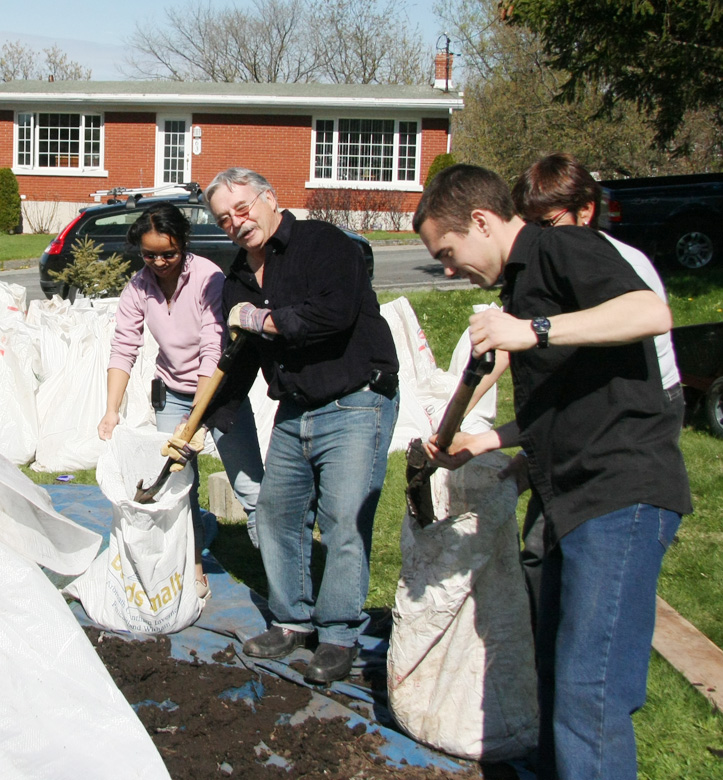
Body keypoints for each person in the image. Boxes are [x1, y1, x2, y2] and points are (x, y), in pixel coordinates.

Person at [413, 164, 691, 780]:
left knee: (590, 693)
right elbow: (563, 399)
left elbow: (649, 311)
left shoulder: (563, 245)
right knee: (560, 676)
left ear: (481, 221)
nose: (450, 269)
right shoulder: (524, 283)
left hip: (620, 492)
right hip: (569, 496)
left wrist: (532, 330)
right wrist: (484, 441)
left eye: (449, 253)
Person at [205, 167, 399, 684]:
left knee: (343, 520)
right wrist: (202, 422)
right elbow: (239, 359)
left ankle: (338, 635)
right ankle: (293, 621)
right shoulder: (238, 280)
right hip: (295, 407)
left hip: (356, 398)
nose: (236, 223)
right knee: (276, 515)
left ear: (270, 198)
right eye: (224, 219)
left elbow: (330, 315)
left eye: (243, 209)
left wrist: (259, 320)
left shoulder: (324, 243)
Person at [509, 152, 685, 632]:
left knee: (582, 558)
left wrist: (537, 330)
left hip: (631, 418)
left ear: (586, 210)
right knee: (540, 552)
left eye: (546, 222)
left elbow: (641, 322)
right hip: (573, 412)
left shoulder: (621, 263)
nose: (537, 236)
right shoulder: (546, 262)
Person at [98, 202, 225, 600]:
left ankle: (283, 583)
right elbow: (123, 347)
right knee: (179, 485)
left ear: (184, 244)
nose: (158, 262)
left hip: (218, 394)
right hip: (170, 393)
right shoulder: (139, 286)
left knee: (249, 483)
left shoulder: (209, 278)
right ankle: (194, 567)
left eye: (167, 253)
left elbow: (213, 349)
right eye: (149, 254)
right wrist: (111, 411)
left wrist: (197, 420)